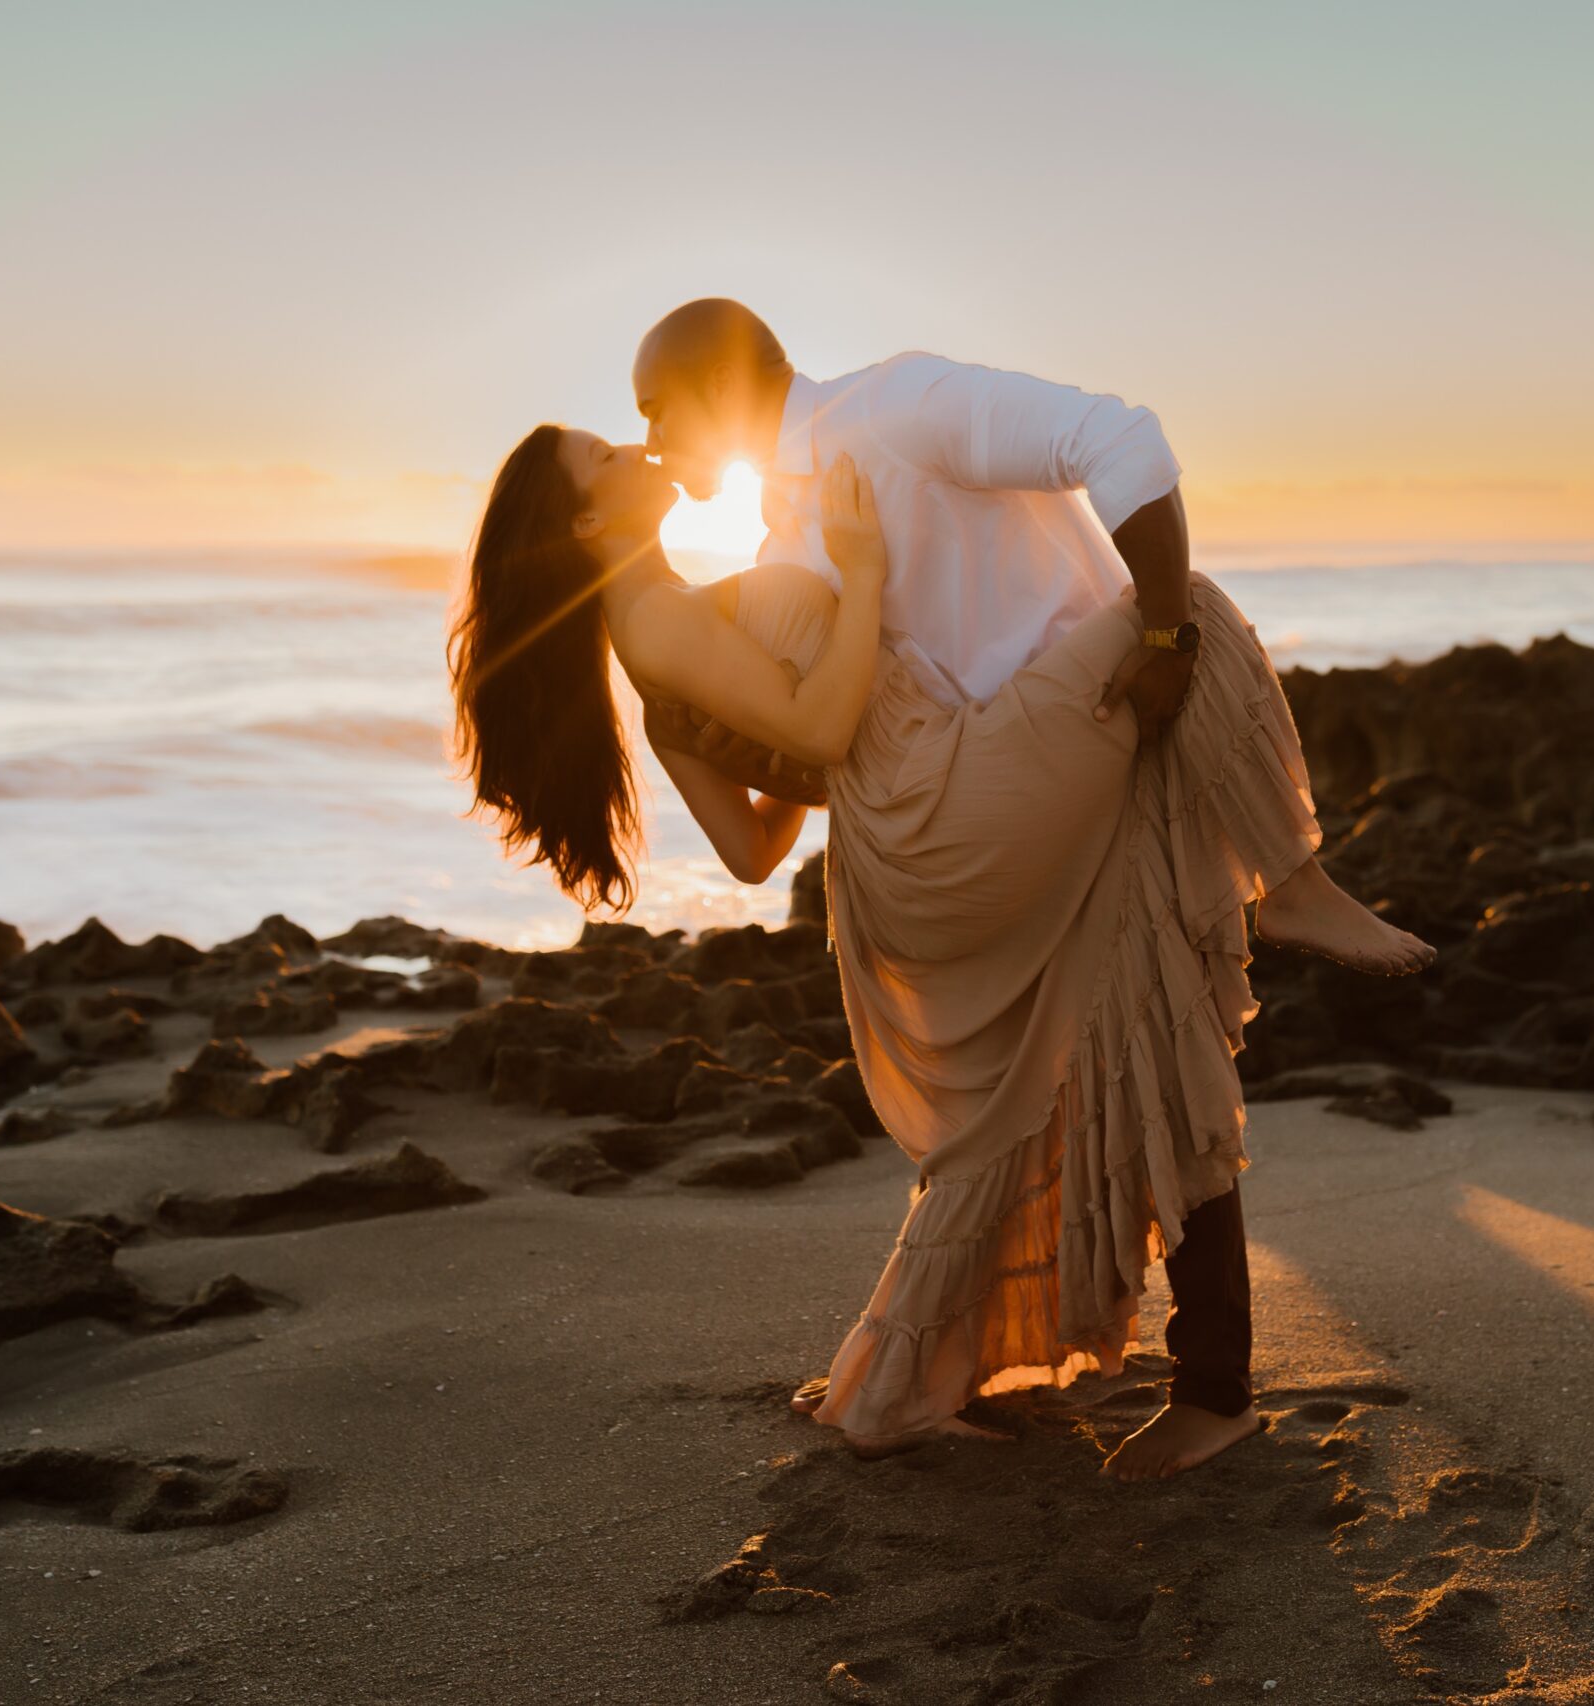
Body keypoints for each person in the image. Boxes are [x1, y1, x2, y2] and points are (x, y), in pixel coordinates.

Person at [449, 312, 1431, 1477]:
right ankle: (1295, 882)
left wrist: (850, 729)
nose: (644, 441)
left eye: (649, 412)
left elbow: (763, 840)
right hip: (952, 808)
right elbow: (829, 723)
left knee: (1142, 1026)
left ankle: (1128, 1377)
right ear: (582, 518)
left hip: (919, 832)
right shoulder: (681, 609)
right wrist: (875, 601)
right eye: (619, 446)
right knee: (1194, 613)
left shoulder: (765, 543)